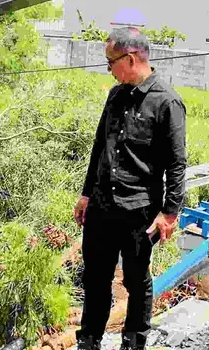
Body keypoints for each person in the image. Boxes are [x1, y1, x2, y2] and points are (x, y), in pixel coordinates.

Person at [74, 27, 187, 350]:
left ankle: (133, 342)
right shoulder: (116, 95)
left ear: (131, 58)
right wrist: (85, 194)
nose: (109, 69)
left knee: (136, 280)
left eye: (111, 62)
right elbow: (100, 147)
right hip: (101, 205)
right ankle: (89, 339)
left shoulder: (167, 102)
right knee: (95, 277)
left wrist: (170, 212)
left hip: (140, 209)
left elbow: (177, 163)